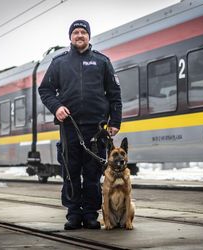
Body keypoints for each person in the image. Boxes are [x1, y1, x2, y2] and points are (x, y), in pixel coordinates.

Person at [38, 20, 122, 230]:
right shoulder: (59, 63)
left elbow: (114, 94)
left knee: (93, 174)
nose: (79, 35)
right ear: (70, 37)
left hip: (96, 129)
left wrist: (115, 121)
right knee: (71, 172)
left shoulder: (102, 62)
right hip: (70, 128)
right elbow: (45, 90)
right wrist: (56, 107)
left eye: (83, 32)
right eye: (75, 32)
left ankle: (91, 215)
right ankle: (74, 214)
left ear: (89, 36)